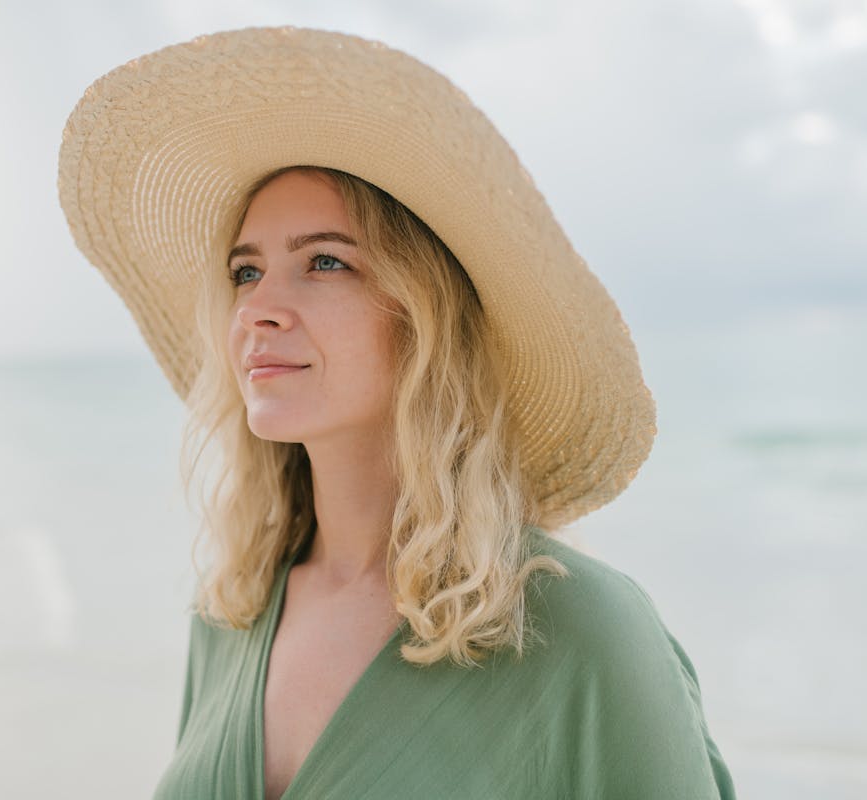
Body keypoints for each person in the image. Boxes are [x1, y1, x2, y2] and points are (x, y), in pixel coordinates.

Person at [58, 26, 735, 800]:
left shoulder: (577, 630)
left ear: (424, 315)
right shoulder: (230, 612)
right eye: (246, 271)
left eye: (324, 261)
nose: (259, 310)